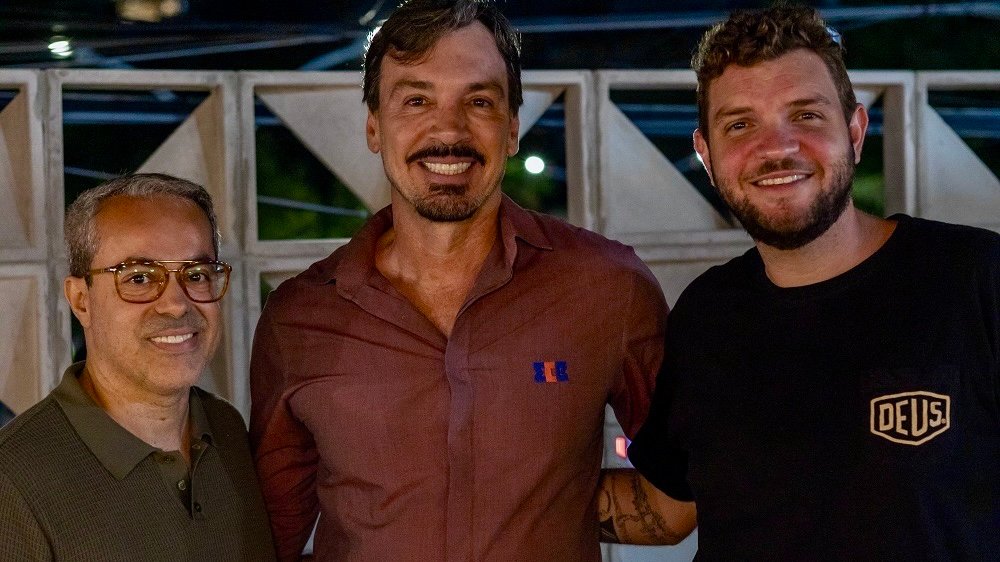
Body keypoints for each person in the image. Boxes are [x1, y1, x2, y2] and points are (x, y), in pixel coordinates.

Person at [249, 0, 693, 559]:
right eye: (416, 100)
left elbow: (680, 495)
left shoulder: (608, 288)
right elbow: (269, 538)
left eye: (479, 101)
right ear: (374, 127)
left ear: (512, 129)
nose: (449, 130)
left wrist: (557, 505)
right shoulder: (298, 319)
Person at [625, 4, 1000, 560]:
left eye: (805, 115)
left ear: (855, 131)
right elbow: (667, 509)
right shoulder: (705, 315)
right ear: (706, 154)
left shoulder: (976, 277)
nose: (776, 147)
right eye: (740, 124)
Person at [0, 173, 275, 560]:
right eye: (140, 278)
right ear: (81, 300)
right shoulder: (13, 482)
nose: (176, 305)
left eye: (196, 275)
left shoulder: (227, 430)